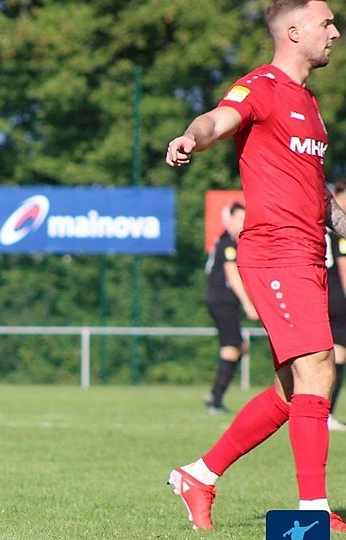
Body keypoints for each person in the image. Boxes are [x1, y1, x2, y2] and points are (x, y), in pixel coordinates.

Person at [165, 0, 346, 532]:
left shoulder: (309, 103)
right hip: (275, 252)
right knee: (319, 367)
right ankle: (312, 515)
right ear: (293, 32)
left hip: (311, 254)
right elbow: (217, 119)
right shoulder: (261, 85)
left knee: (295, 389)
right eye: (326, 22)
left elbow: (315, 194)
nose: (335, 31)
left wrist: (341, 221)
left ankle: (198, 475)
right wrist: (190, 138)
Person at [204, 202, 258, 414]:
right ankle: (215, 400)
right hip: (223, 301)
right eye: (240, 219)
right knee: (232, 347)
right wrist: (249, 305)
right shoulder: (227, 243)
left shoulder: (228, 241)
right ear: (230, 220)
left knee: (239, 347)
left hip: (222, 302)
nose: (243, 224)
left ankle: (215, 395)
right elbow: (232, 276)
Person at [325, 181, 346, 430]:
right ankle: (326, 412)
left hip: (326, 297)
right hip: (338, 301)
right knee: (337, 355)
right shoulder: (339, 237)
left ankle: (325, 413)